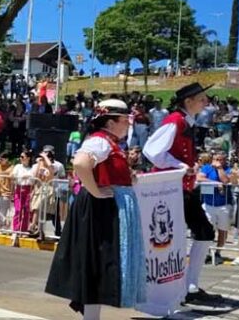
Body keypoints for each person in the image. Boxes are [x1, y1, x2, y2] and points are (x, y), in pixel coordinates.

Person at [46, 99, 145, 320]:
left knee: (99, 265)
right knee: (98, 263)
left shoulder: (110, 143)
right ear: (110, 123)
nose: (128, 125)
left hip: (105, 208)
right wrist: (96, 192)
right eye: (124, 120)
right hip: (100, 210)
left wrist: (127, 178)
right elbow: (81, 163)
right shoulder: (100, 142)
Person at [143, 83, 221, 304]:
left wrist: (187, 167)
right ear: (188, 102)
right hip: (172, 189)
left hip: (181, 189)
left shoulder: (184, 122)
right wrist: (180, 165)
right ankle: (186, 287)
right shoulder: (175, 121)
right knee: (197, 232)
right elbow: (152, 151)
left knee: (202, 232)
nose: (206, 103)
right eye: (202, 99)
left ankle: (189, 287)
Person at [198, 149, 232, 266]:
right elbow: (199, 178)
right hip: (208, 204)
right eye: (215, 159)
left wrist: (219, 169)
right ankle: (207, 252)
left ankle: (218, 252)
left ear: (224, 160)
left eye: (220, 160)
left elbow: (226, 180)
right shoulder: (207, 168)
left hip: (224, 204)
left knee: (222, 230)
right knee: (208, 228)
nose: (217, 162)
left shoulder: (227, 168)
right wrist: (214, 183)